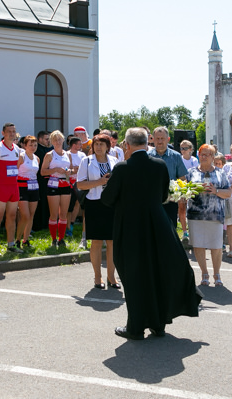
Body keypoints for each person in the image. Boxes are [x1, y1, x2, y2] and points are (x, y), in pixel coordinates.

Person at [100, 127, 201, 340]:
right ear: (148, 143)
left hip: (131, 229)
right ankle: (158, 323)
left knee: (134, 275)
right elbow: (164, 194)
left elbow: (107, 199)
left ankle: (135, 327)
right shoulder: (160, 165)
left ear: (126, 145)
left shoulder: (122, 168)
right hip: (158, 226)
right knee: (156, 272)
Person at [76, 133, 118, 289]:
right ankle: (97, 277)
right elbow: (80, 185)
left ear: (108, 146)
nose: (98, 147)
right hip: (95, 203)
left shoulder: (114, 160)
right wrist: (100, 182)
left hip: (112, 204)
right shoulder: (86, 161)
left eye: (102, 144)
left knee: (112, 242)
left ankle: (111, 277)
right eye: (96, 144)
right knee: (97, 241)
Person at [186, 144, 231, 287]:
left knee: (216, 246)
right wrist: (192, 190)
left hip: (215, 214)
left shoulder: (220, 172)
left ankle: (217, 274)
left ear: (213, 157)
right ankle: (204, 273)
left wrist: (215, 190)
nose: (203, 157)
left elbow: (228, 192)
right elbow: (184, 191)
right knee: (198, 245)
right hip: (195, 214)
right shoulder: (191, 172)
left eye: (207, 154)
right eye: (201, 154)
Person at [0, 123, 22, 254]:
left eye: (14, 131)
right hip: (0, 187)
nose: (12, 134)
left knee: (12, 216)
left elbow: (16, 167)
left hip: (13, 186)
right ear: (3, 133)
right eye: (9, 131)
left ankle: (11, 244)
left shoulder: (17, 149)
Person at [147, 126, 187, 233]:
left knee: (170, 232)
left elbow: (182, 179)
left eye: (162, 138)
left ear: (168, 139)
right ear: (152, 139)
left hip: (171, 202)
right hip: (151, 202)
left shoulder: (176, 156)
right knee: (152, 232)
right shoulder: (146, 157)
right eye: (157, 138)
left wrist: (182, 195)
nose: (160, 141)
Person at [40, 130, 73, 248]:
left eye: (60, 139)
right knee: (54, 214)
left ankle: (62, 238)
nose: (58, 142)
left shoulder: (68, 154)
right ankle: (53, 239)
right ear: (52, 142)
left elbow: (72, 169)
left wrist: (69, 171)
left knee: (63, 214)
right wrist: (54, 170)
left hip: (65, 184)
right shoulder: (49, 155)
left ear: (63, 140)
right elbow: (43, 172)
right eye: (55, 140)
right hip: (53, 184)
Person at [16, 135, 40, 248]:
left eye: (35, 145)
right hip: (22, 187)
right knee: (24, 215)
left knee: (31, 215)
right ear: (25, 145)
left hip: (34, 187)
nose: (33, 147)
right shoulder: (21, 156)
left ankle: (26, 239)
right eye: (30, 145)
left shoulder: (37, 158)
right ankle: (17, 240)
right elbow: (15, 172)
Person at [66, 134, 87, 245]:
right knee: (68, 206)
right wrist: (73, 169)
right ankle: (67, 226)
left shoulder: (82, 154)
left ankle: (72, 223)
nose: (81, 145)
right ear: (74, 145)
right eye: (79, 144)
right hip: (69, 182)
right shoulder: (67, 154)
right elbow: (68, 169)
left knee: (77, 204)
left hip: (79, 182)